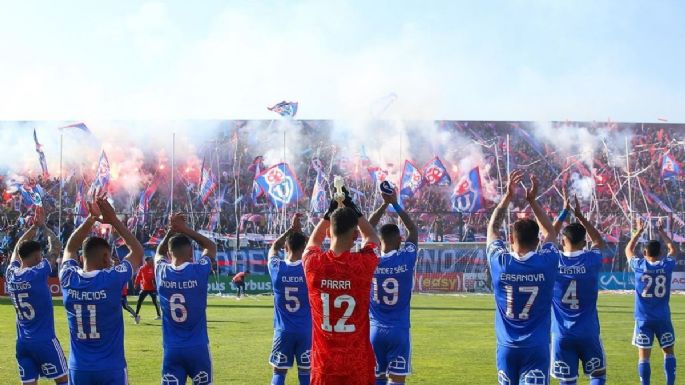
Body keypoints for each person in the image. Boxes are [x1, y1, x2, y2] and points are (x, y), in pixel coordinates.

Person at [60, 194, 144, 384]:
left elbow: (70, 248)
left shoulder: (68, 278)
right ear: (106, 257)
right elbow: (137, 251)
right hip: (111, 368)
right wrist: (113, 220)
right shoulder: (112, 279)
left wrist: (90, 219)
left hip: (79, 368)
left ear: (82, 258)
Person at [486, 171, 560, 385]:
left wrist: (508, 196)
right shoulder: (546, 262)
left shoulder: (500, 262)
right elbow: (551, 232)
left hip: (507, 347)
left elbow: (492, 228)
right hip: (536, 347)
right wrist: (532, 200)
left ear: (511, 239)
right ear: (538, 241)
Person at [303, 189, 381, 385]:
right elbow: (372, 238)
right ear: (355, 234)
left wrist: (328, 214)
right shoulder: (362, 265)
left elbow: (313, 241)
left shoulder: (313, 264)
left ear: (329, 232)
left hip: (324, 366)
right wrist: (354, 208)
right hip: (358, 364)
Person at [6, 208, 68, 385]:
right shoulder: (38, 272)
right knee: (63, 381)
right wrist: (43, 227)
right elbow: (56, 246)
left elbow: (18, 249)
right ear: (36, 257)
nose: (42, 258)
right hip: (45, 341)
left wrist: (32, 229)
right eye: (40, 256)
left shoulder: (11, 274)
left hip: (23, 343)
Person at [550, 195, 607, 385]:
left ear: (562, 241)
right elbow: (598, 240)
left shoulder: (553, 261)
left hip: (561, 334)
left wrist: (564, 211)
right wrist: (580, 216)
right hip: (589, 331)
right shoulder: (591, 260)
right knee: (597, 374)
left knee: (567, 380)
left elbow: (548, 238)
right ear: (584, 242)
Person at [155, 213, 217, 385]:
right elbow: (210, 246)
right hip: (198, 347)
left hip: (172, 348)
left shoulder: (161, 271)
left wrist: (171, 231)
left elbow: (158, 253)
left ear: (169, 253)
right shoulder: (199, 270)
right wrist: (184, 229)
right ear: (191, 251)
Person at [367, 189, 419, 385]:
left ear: (379, 241)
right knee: (396, 380)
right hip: (399, 330)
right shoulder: (406, 258)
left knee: (376, 379)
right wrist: (395, 204)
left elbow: (368, 227)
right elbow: (413, 231)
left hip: (374, 330)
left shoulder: (370, 259)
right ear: (400, 240)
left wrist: (383, 205)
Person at [625, 217, 677, 385]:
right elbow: (673, 249)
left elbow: (628, 249)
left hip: (643, 319)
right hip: (663, 317)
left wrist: (639, 231)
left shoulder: (639, 265)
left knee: (644, 357)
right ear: (661, 254)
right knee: (669, 353)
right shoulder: (667, 265)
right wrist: (662, 232)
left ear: (644, 253)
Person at [267, 213, 311, 385]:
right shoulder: (309, 268)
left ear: (286, 248)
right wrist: (302, 235)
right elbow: (314, 248)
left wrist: (290, 231)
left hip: (283, 331)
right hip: (306, 330)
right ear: (305, 247)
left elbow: (273, 247)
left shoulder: (277, 268)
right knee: (306, 372)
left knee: (279, 371)